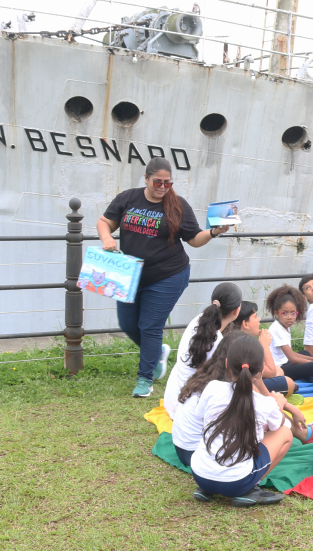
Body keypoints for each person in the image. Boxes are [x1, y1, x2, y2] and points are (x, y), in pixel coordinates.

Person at [98, 156, 230, 398]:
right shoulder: (129, 197)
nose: (162, 187)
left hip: (168, 274)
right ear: (146, 178)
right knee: (127, 324)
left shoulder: (178, 205)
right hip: (130, 273)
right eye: (157, 182)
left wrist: (212, 232)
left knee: (150, 326)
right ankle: (157, 352)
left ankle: (144, 379)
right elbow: (105, 221)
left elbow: (193, 239)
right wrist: (107, 239)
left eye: (167, 183)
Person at [174, 334, 293, 506]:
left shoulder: (212, 387)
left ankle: (208, 490)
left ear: (227, 363)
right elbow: (278, 425)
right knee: (285, 433)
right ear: (260, 372)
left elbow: (202, 416)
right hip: (235, 484)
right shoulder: (263, 402)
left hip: (200, 475)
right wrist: (279, 405)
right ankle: (251, 488)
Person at [164, 283, 242, 419]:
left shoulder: (200, 320)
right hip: (190, 407)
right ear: (237, 311)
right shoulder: (218, 341)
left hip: (174, 398)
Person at [263, 285, 313, 382]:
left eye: (293, 313)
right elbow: (293, 359)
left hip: (287, 362)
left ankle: (309, 375)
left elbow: (291, 353)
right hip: (280, 369)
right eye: (285, 313)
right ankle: (310, 375)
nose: (289, 317)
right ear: (276, 313)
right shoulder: (276, 329)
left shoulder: (284, 326)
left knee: (306, 353)